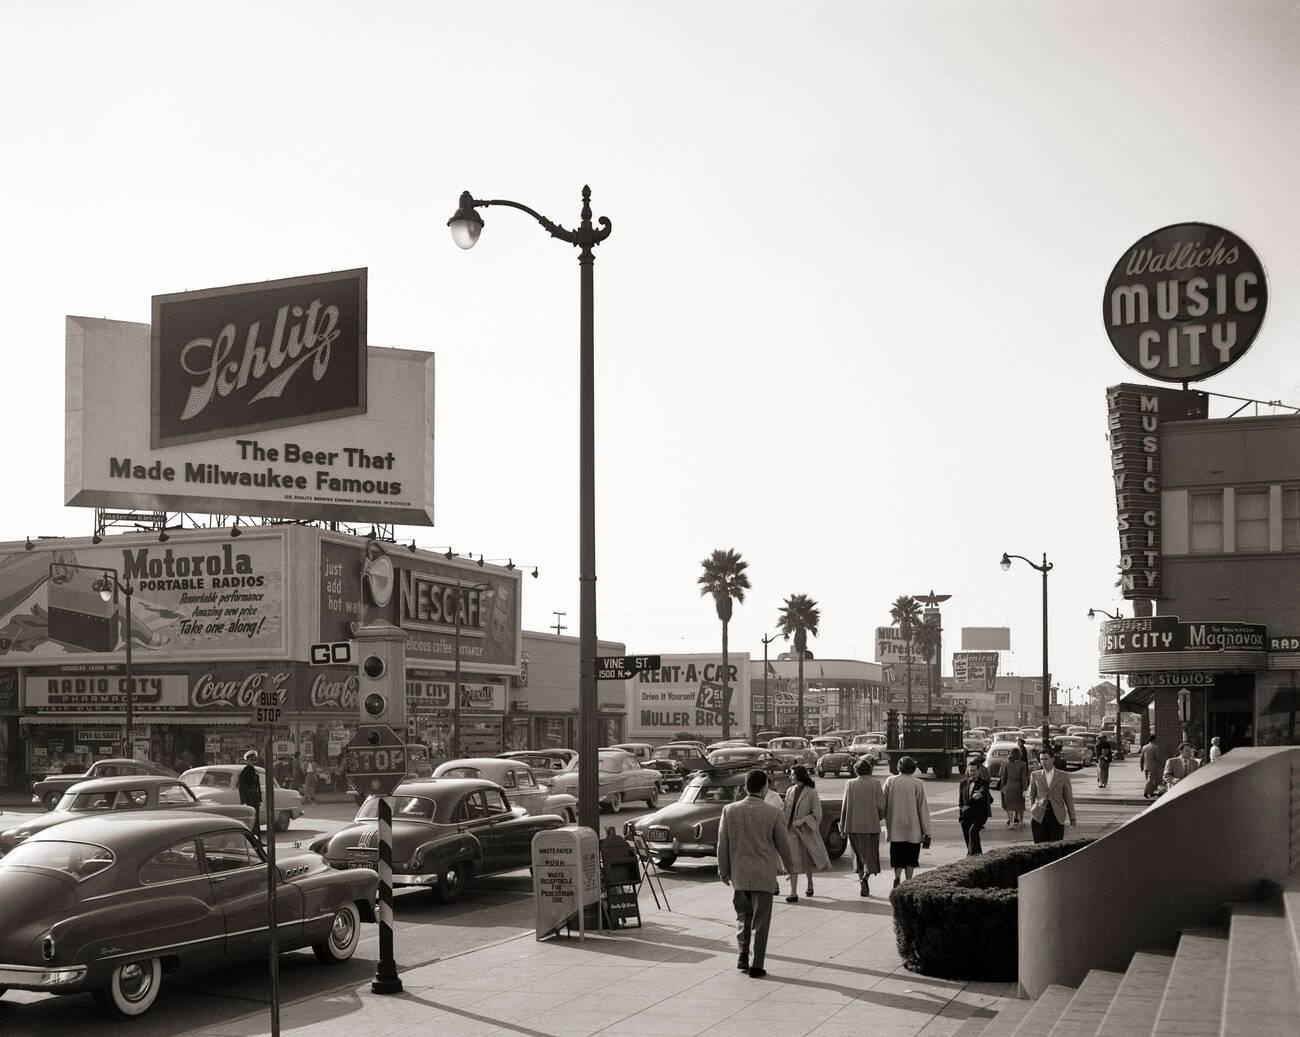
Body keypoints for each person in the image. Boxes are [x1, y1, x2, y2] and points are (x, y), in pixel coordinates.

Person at [716, 769, 793, 980]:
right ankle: (757, 965)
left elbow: (723, 844)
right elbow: (783, 845)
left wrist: (723, 870)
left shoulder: (729, 811)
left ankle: (742, 954)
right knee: (761, 922)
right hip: (763, 874)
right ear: (764, 788)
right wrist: (790, 867)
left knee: (742, 916)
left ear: (745, 787)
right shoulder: (773, 813)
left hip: (739, 875)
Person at [783, 765, 829, 902]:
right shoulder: (789, 790)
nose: (790, 777)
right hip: (790, 831)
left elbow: (817, 814)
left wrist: (802, 821)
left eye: (792, 774)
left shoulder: (811, 792)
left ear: (798, 775)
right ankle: (793, 892)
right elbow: (785, 810)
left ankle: (810, 883)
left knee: (806, 859)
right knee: (792, 861)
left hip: (805, 831)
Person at [840, 757, 885, 896]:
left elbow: (845, 806)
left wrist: (842, 826)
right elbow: (881, 805)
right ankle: (866, 877)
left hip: (853, 825)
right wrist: (880, 815)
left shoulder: (850, 784)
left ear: (856, 770)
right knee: (871, 855)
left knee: (858, 855)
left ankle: (861, 879)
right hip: (871, 825)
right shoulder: (876, 784)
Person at [883, 756, 931, 888]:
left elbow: (883, 803)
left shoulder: (890, 781)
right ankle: (908, 881)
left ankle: (897, 877)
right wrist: (927, 831)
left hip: (895, 827)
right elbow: (922, 808)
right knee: (911, 858)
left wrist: (884, 817)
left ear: (899, 767)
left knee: (897, 857)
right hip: (913, 828)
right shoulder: (918, 783)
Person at [1028, 746, 1076, 843]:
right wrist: (1033, 810)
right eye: (1041, 759)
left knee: (1056, 846)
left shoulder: (1063, 776)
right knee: (1039, 847)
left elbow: (1068, 798)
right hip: (1039, 816)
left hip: (1056, 816)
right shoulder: (1035, 775)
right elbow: (1031, 795)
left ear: (1052, 759)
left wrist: (1072, 817)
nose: (1043, 762)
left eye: (1046, 759)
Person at [958, 759, 992, 855]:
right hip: (966, 814)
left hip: (979, 815)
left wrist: (980, 794)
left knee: (972, 832)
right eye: (970, 770)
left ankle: (971, 854)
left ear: (978, 771)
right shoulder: (963, 783)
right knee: (968, 834)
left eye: (974, 770)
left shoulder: (983, 782)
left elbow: (983, 790)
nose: (972, 773)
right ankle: (976, 853)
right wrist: (962, 809)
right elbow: (960, 800)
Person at [1000, 747, 1029, 827]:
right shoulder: (1023, 764)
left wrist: (1003, 786)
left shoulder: (1006, 763)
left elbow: (1004, 776)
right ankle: (1021, 821)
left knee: (1009, 805)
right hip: (1019, 785)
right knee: (1020, 804)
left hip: (1009, 785)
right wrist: (1024, 788)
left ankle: (1011, 822)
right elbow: (1024, 777)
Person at [238, 749, 263, 836]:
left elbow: (258, 786)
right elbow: (242, 788)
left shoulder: (255, 771)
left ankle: (258, 840)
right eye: (251, 760)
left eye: (254, 760)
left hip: (255, 798)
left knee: (256, 819)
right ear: (247, 761)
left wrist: (260, 799)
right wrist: (243, 801)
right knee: (251, 820)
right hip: (249, 798)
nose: (253, 762)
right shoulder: (244, 772)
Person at [1140, 734, 1160, 798]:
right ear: (1154, 739)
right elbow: (1156, 757)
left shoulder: (1144, 747)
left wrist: (1141, 766)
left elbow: (1142, 757)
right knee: (1150, 780)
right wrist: (1160, 763)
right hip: (1153, 766)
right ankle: (1145, 792)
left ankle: (1150, 792)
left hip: (1146, 766)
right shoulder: (1155, 747)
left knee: (1149, 780)